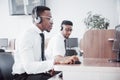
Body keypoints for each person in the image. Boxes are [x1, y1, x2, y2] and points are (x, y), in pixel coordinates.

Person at [12, 6, 61, 80]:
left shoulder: (39, 35)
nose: (52, 22)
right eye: (48, 18)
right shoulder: (27, 35)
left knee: (61, 74)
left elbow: (39, 60)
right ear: (38, 19)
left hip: (34, 74)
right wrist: (54, 62)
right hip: (23, 76)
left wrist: (50, 67)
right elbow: (29, 67)